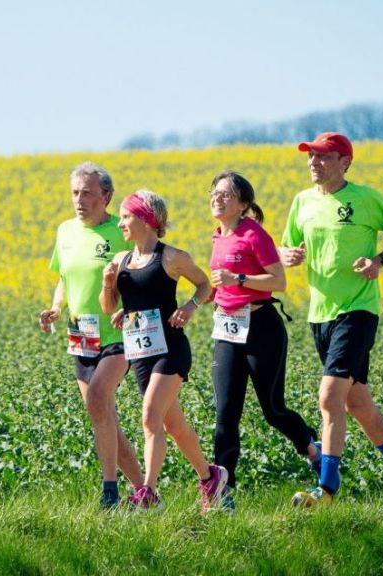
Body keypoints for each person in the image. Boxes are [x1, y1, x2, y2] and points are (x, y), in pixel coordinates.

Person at [280, 132, 383, 507]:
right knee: (357, 402)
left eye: (322, 156)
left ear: (345, 162)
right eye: (310, 156)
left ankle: (326, 489)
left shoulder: (367, 198)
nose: (313, 162)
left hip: (358, 310)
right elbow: (286, 246)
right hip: (320, 314)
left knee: (330, 397)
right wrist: (287, 256)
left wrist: (379, 261)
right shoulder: (302, 202)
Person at [99, 189, 227, 512]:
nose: (120, 223)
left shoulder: (172, 257)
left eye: (126, 216)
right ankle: (211, 477)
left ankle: (148, 493)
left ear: (146, 219)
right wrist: (109, 285)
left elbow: (205, 285)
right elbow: (109, 306)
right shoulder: (120, 260)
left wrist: (189, 307)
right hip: (141, 353)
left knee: (150, 416)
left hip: (171, 348)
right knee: (174, 426)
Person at [207, 171, 321, 510]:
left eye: (226, 194)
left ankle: (312, 449)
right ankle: (224, 490)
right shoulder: (217, 236)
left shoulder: (254, 234)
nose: (217, 198)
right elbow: (220, 283)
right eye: (215, 193)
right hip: (228, 330)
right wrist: (199, 300)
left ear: (243, 203)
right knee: (226, 412)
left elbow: (278, 281)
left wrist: (237, 278)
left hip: (261, 327)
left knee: (273, 410)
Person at [38, 162, 145, 509]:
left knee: (98, 400)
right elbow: (64, 277)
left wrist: (133, 306)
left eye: (87, 193)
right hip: (81, 333)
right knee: (102, 414)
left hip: (120, 331)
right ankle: (146, 493)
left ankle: (109, 492)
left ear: (106, 196)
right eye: (75, 193)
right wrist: (56, 307)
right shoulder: (66, 231)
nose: (79, 200)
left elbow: (146, 271)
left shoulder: (122, 230)